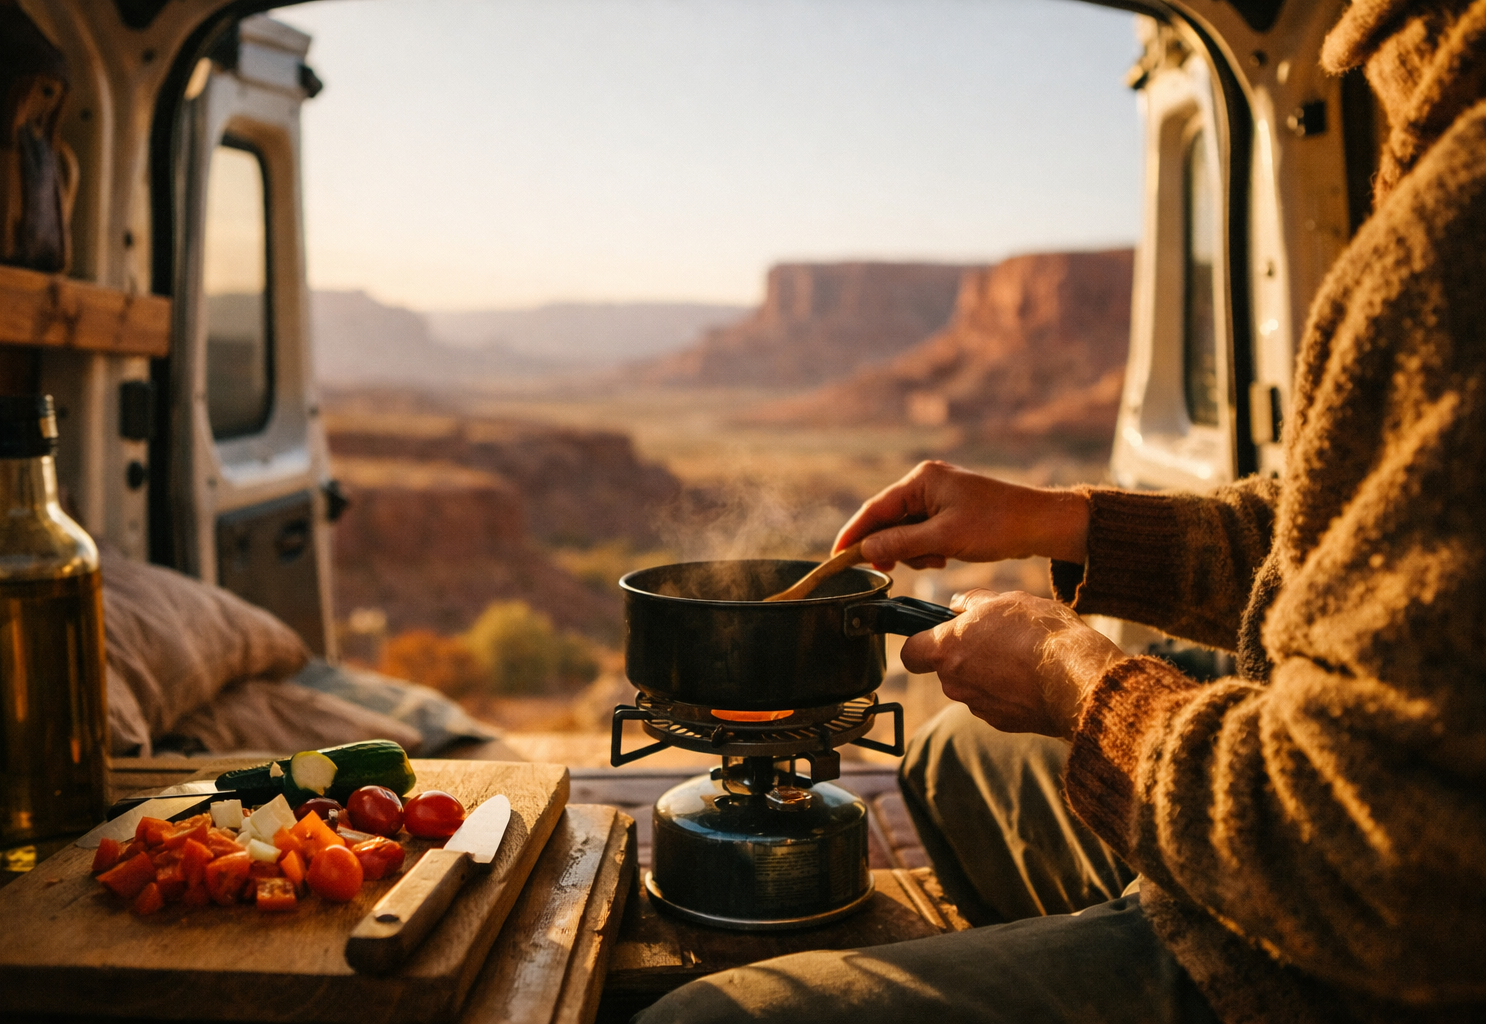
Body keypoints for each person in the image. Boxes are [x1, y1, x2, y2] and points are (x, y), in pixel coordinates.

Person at [633, 1, 1486, 1020]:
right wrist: (1063, 522)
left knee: (698, 1018)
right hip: (1311, 841)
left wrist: (1074, 684)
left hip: (1333, 965)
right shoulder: (1436, 164)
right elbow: (1337, 536)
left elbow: (1386, 859)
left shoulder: (1456, 226)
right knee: (955, 754)